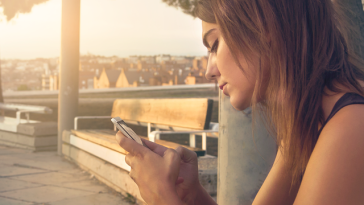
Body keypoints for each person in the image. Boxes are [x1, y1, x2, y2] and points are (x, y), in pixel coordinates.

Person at [116, 0, 364, 204]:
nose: (209, 71)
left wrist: (163, 197)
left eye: (214, 45)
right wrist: (192, 196)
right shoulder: (306, 122)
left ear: (263, 26)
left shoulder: (351, 128)